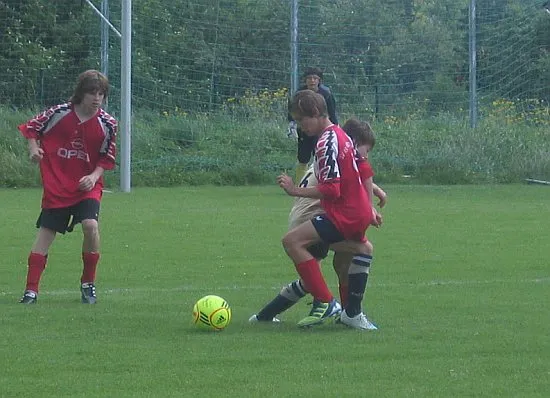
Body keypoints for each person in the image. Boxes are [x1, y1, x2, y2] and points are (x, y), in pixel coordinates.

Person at [251, 118, 385, 330]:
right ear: (353, 142)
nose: (366, 155)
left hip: (304, 216)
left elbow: (354, 177)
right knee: (361, 249)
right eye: (365, 149)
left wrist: (375, 192)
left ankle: (264, 316)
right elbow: (351, 179)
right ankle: (345, 311)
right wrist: (370, 205)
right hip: (312, 216)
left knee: (337, 267)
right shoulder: (341, 152)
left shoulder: (332, 154)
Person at [275, 89, 379, 329]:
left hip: (344, 214)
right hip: (357, 212)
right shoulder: (341, 135)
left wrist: (294, 190)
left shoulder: (325, 142)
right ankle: (351, 315)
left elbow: (332, 190)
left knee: (292, 242)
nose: (301, 126)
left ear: (316, 113)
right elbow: (363, 167)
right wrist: (370, 204)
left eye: (302, 120)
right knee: (343, 263)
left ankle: (325, 301)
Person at [17, 69, 117, 304]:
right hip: (58, 185)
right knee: (46, 234)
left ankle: (88, 283)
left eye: (101, 94)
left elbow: (106, 159)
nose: (97, 99)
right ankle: (31, 291)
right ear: (81, 93)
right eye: (92, 92)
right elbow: (31, 128)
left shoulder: (108, 124)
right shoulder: (59, 113)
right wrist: (33, 150)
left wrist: (93, 177)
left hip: (87, 188)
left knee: (91, 225)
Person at [287, 67, 338, 182]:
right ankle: (300, 183)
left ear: (319, 80)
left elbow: (332, 113)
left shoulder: (326, 94)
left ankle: (319, 180)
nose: (312, 81)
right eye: (309, 78)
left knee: (319, 154)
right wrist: (292, 125)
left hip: (321, 131)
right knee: (303, 157)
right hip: (304, 130)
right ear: (305, 80)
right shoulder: (299, 94)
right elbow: (292, 111)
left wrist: (335, 129)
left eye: (315, 78)